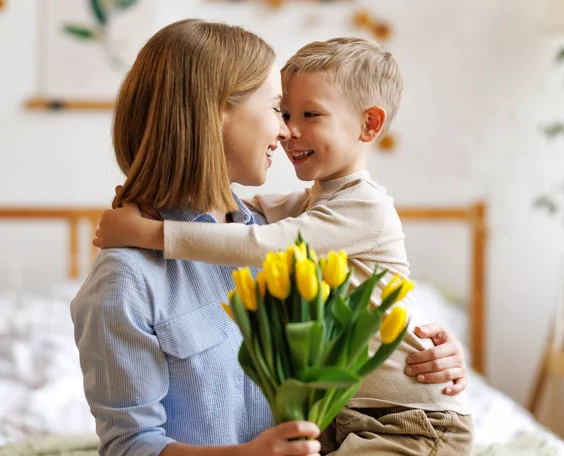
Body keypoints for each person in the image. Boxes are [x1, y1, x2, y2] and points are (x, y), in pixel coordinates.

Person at [93, 36, 473, 455]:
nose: (287, 129)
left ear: (369, 125)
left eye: (307, 114)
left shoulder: (308, 223)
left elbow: (270, 241)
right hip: (346, 423)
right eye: (281, 109)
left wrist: (426, 349)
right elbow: (129, 445)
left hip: (394, 420)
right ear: (215, 113)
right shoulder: (133, 274)